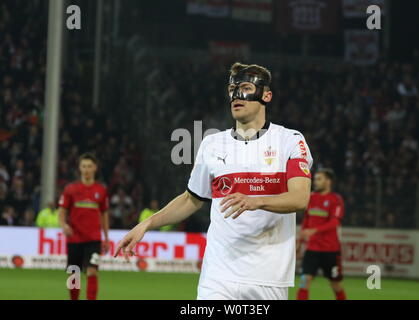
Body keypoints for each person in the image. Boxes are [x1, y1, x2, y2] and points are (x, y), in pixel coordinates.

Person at [115, 62, 313, 300]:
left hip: (267, 277)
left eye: (247, 88)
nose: (236, 96)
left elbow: (300, 198)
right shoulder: (211, 143)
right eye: (232, 90)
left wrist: (257, 201)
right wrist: (145, 224)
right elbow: (191, 199)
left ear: (266, 95)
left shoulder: (290, 141)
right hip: (218, 275)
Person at [58, 153, 110, 300]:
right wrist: (64, 226)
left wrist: (105, 238)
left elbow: (104, 215)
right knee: (74, 273)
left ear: (95, 168)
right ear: (79, 168)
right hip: (74, 238)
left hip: (93, 239)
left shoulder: (101, 191)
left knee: (92, 271)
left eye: (89, 166)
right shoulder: (70, 189)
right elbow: (61, 212)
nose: (86, 169)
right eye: (83, 166)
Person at [296, 168, 346, 300]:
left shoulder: (336, 199)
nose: (315, 182)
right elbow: (306, 220)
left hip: (330, 251)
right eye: (315, 179)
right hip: (312, 250)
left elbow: (335, 222)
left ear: (328, 181)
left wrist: (315, 230)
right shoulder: (311, 197)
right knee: (304, 282)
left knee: (336, 285)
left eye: (319, 179)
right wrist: (299, 242)